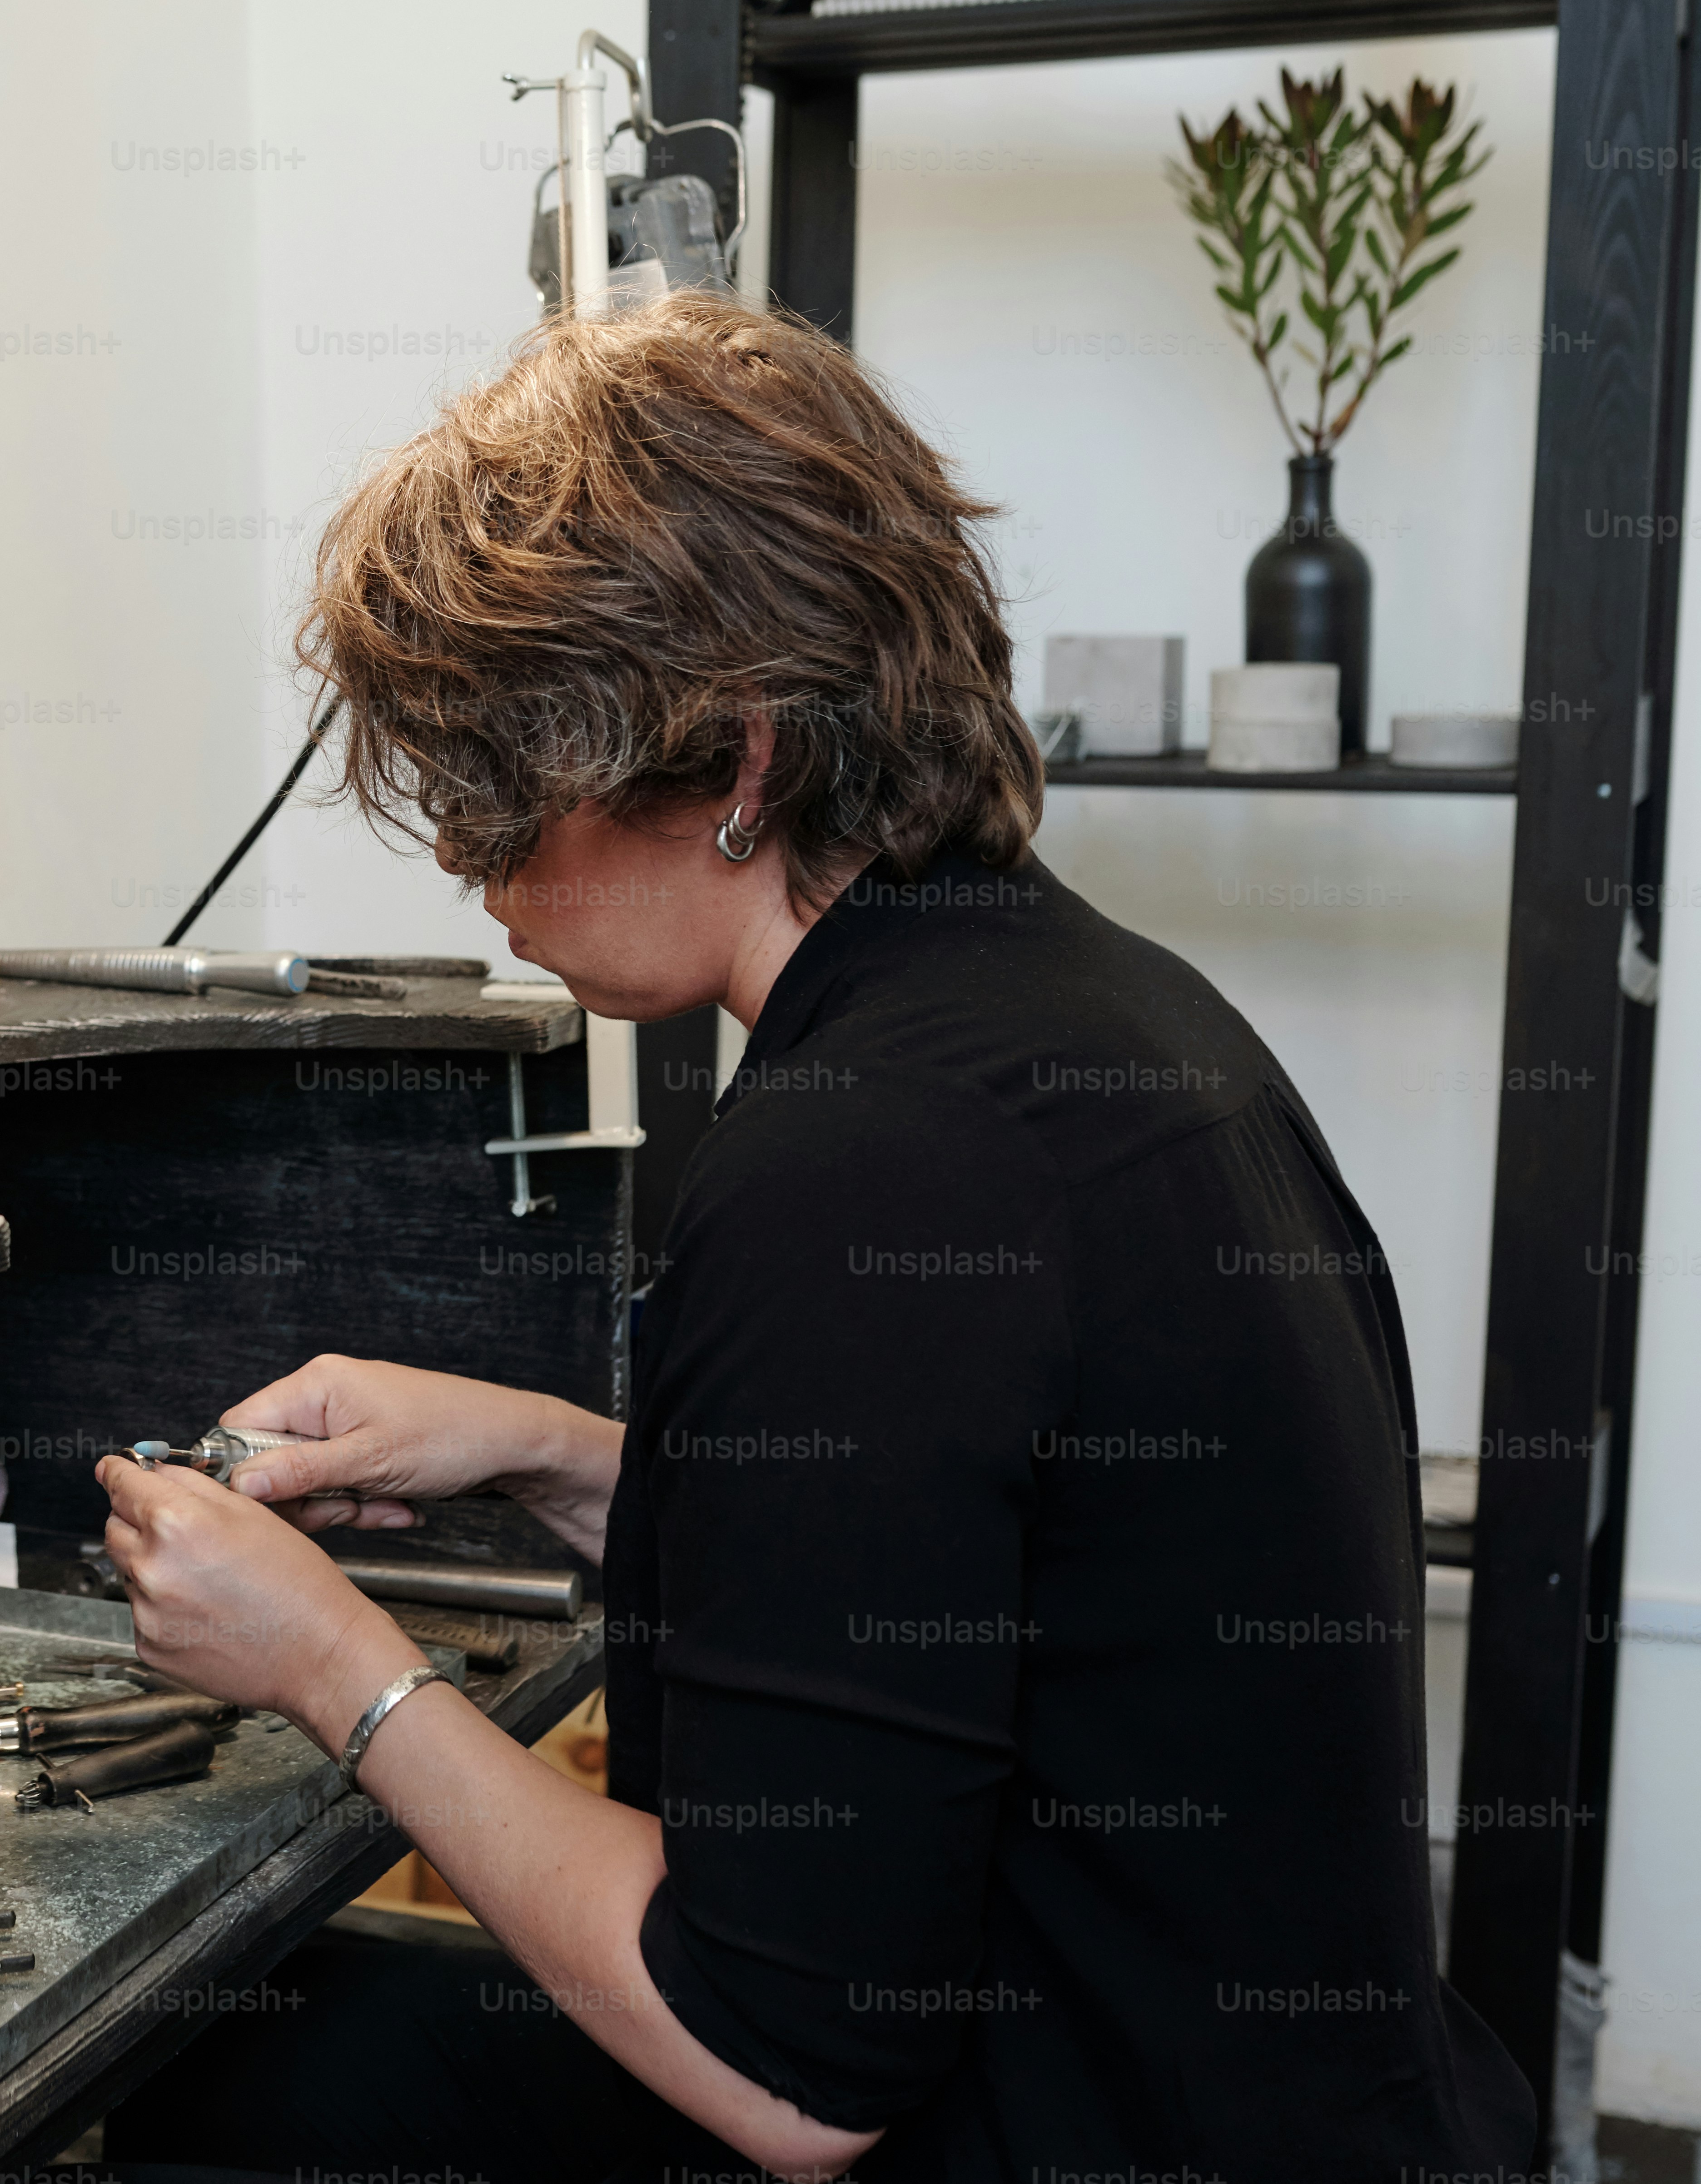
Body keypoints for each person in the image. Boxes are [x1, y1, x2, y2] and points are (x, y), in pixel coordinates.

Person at [93, 293, 1535, 2183]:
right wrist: (545, 1451)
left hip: (1050, 2124)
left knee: (236, 2094)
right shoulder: (1102, 1020)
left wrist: (331, 1665)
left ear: (739, 763)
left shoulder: (854, 1174)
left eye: (499, 793)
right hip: (1286, 2102)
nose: (466, 863)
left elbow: (784, 2071)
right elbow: (947, 1589)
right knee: (301, 2061)